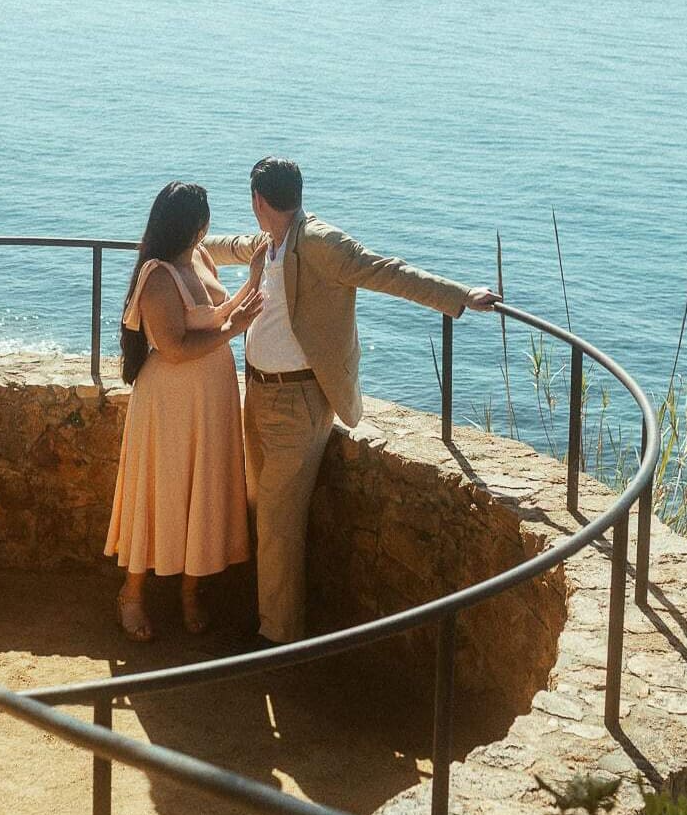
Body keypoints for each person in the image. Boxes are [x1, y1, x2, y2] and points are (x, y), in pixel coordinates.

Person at [204, 157, 500, 645]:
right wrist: (178, 245)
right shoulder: (270, 243)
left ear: (259, 200)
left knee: (278, 522)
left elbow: (384, 270)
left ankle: (276, 640)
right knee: (259, 506)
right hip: (257, 392)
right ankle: (267, 617)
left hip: (297, 401)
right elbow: (228, 246)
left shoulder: (318, 242)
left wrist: (461, 295)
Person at [104, 181, 266, 641]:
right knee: (162, 490)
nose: (206, 226)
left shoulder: (198, 256)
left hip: (210, 394)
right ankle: (131, 595)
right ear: (187, 223)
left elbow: (218, 314)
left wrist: (252, 282)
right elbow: (173, 347)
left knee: (203, 487)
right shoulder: (157, 275)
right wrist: (234, 330)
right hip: (171, 400)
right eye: (201, 218)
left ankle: (190, 593)